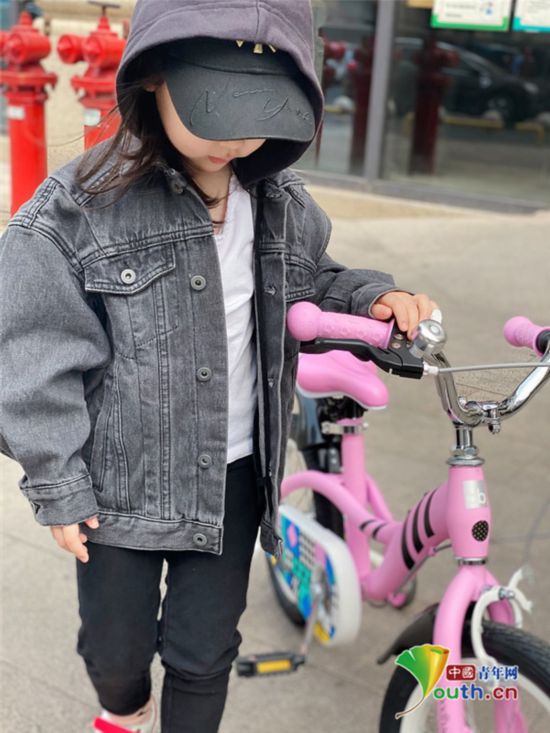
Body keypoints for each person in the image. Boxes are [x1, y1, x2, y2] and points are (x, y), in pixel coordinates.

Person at [0, 1, 438, 731]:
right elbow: (33, 356)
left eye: (259, 110)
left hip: (234, 473)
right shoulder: (75, 213)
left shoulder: (280, 204)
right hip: (123, 485)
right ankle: (122, 707)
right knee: (114, 648)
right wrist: (58, 482)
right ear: (152, 80)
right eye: (215, 107)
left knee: (204, 652)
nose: (236, 135)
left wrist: (373, 299)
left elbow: (312, 281)